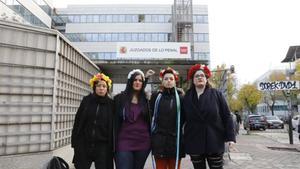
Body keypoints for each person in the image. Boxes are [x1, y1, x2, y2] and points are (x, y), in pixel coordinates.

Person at [183, 64, 236, 169]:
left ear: (206, 79)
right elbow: (182, 119)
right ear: (193, 80)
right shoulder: (186, 97)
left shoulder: (216, 94)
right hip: (195, 142)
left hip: (214, 140)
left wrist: (231, 138)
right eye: (196, 76)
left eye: (202, 75)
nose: (199, 77)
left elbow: (227, 116)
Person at [71, 73, 114, 169]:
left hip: (103, 146)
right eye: (99, 86)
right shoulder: (86, 101)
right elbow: (77, 121)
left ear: (107, 89)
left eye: (104, 86)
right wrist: (75, 142)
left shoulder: (111, 104)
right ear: (94, 87)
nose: (101, 88)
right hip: (84, 144)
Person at [114, 69, 154, 169]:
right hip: (124, 141)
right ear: (130, 82)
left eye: (140, 81)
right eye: (135, 80)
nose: (137, 82)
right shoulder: (119, 98)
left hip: (143, 143)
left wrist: (178, 92)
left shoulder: (146, 99)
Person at [150, 67, 185, 169]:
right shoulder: (156, 97)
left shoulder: (181, 98)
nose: (168, 81)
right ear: (162, 81)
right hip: (159, 142)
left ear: (175, 81)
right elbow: (149, 114)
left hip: (175, 142)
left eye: (171, 79)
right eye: (166, 79)